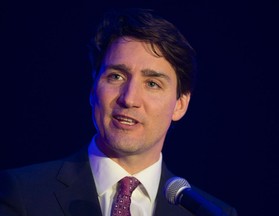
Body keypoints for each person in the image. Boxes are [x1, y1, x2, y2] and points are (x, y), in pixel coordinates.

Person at [0, 8, 237, 216]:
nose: (129, 98)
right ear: (93, 88)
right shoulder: (21, 193)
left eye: (152, 83)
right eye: (116, 76)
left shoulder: (210, 212)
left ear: (180, 105)